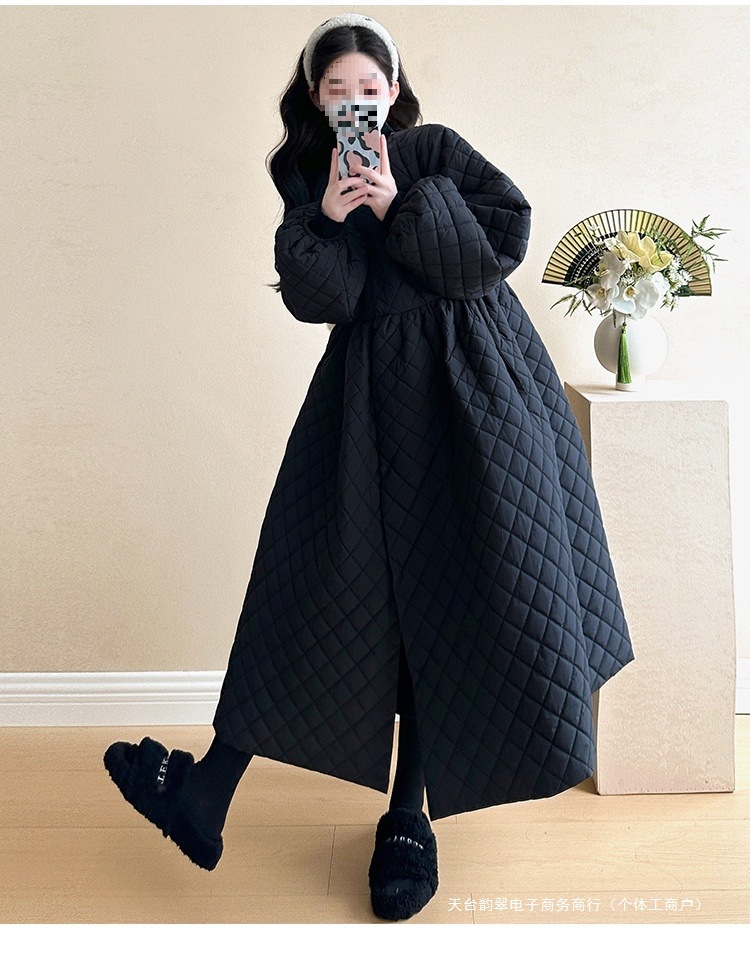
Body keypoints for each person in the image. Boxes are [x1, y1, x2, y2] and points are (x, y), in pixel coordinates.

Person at [103, 11, 635, 925]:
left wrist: (397, 203)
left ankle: (408, 818)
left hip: (477, 396)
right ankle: (205, 796)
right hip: (366, 403)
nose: (356, 102)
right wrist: (328, 216)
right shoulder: (308, 177)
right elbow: (328, 300)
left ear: (393, 89)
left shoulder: (434, 151)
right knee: (306, 586)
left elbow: (492, 253)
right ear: (317, 100)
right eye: (337, 90)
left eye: (369, 87)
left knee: (451, 588)